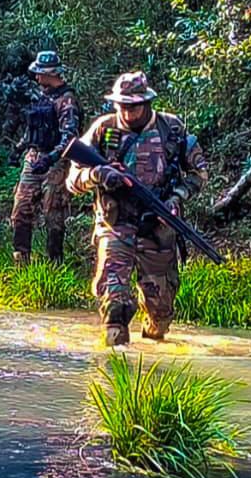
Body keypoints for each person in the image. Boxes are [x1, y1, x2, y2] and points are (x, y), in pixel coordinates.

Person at [66, 71, 208, 346]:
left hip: (158, 226)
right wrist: (97, 175)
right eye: (122, 105)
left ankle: (154, 358)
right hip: (115, 225)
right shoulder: (102, 129)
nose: (127, 111)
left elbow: (199, 174)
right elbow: (72, 180)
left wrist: (176, 198)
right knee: (114, 301)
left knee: (160, 312)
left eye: (133, 105)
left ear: (147, 102)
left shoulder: (172, 129)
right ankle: (116, 363)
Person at [9, 51, 82, 264]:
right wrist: (19, 148)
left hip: (57, 161)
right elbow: (33, 128)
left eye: (41, 73)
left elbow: (70, 136)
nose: (37, 78)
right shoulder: (43, 97)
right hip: (34, 157)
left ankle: (54, 265)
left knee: (53, 212)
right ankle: (21, 262)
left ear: (52, 73)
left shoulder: (67, 100)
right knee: (21, 208)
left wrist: (50, 159)